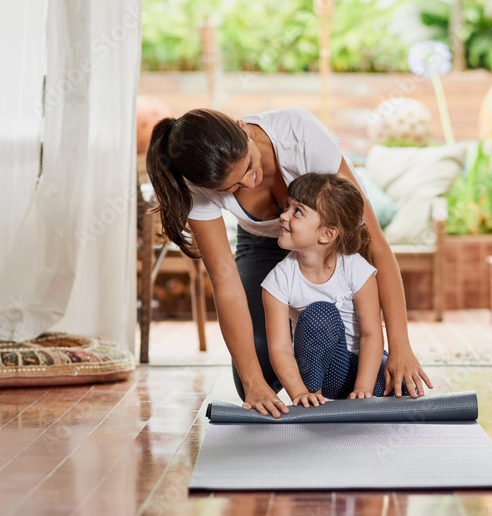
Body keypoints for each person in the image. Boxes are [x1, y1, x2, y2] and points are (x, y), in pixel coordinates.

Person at [146, 106, 432, 417]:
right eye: (232, 188)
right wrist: (255, 382)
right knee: (254, 375)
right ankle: (301, 353)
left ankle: (335, 356)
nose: (249, 184)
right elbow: (224, 278)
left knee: (350, 332)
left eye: (249, 168)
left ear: (242, 128)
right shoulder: (196, 183)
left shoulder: (300, 135)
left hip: (328, 238)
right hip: (262, 244)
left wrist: (401, 346)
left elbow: (376, 244)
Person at [263, 173, 386, 406]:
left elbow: (371, 335)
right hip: (327, 373)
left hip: (364, 368)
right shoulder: (278, 281)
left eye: (297, 211)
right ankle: (314, 398)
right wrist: (299, 393)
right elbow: (279, 348)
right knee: (320, 313)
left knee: (399, 384)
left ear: (327, 233)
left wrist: (363, 389)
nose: (284, 215)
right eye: (287, 206)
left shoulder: (357, 269)